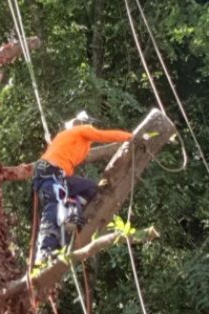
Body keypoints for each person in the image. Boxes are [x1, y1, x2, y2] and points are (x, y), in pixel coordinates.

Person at [32, 112, 133, 263]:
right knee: (54, 204)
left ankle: (70, 218)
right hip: (50, 172)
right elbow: (103, 135)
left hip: (56, 175)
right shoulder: (79, 131)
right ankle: (44, 252)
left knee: (90, 189)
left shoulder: (79, 145)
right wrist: (131, 137)